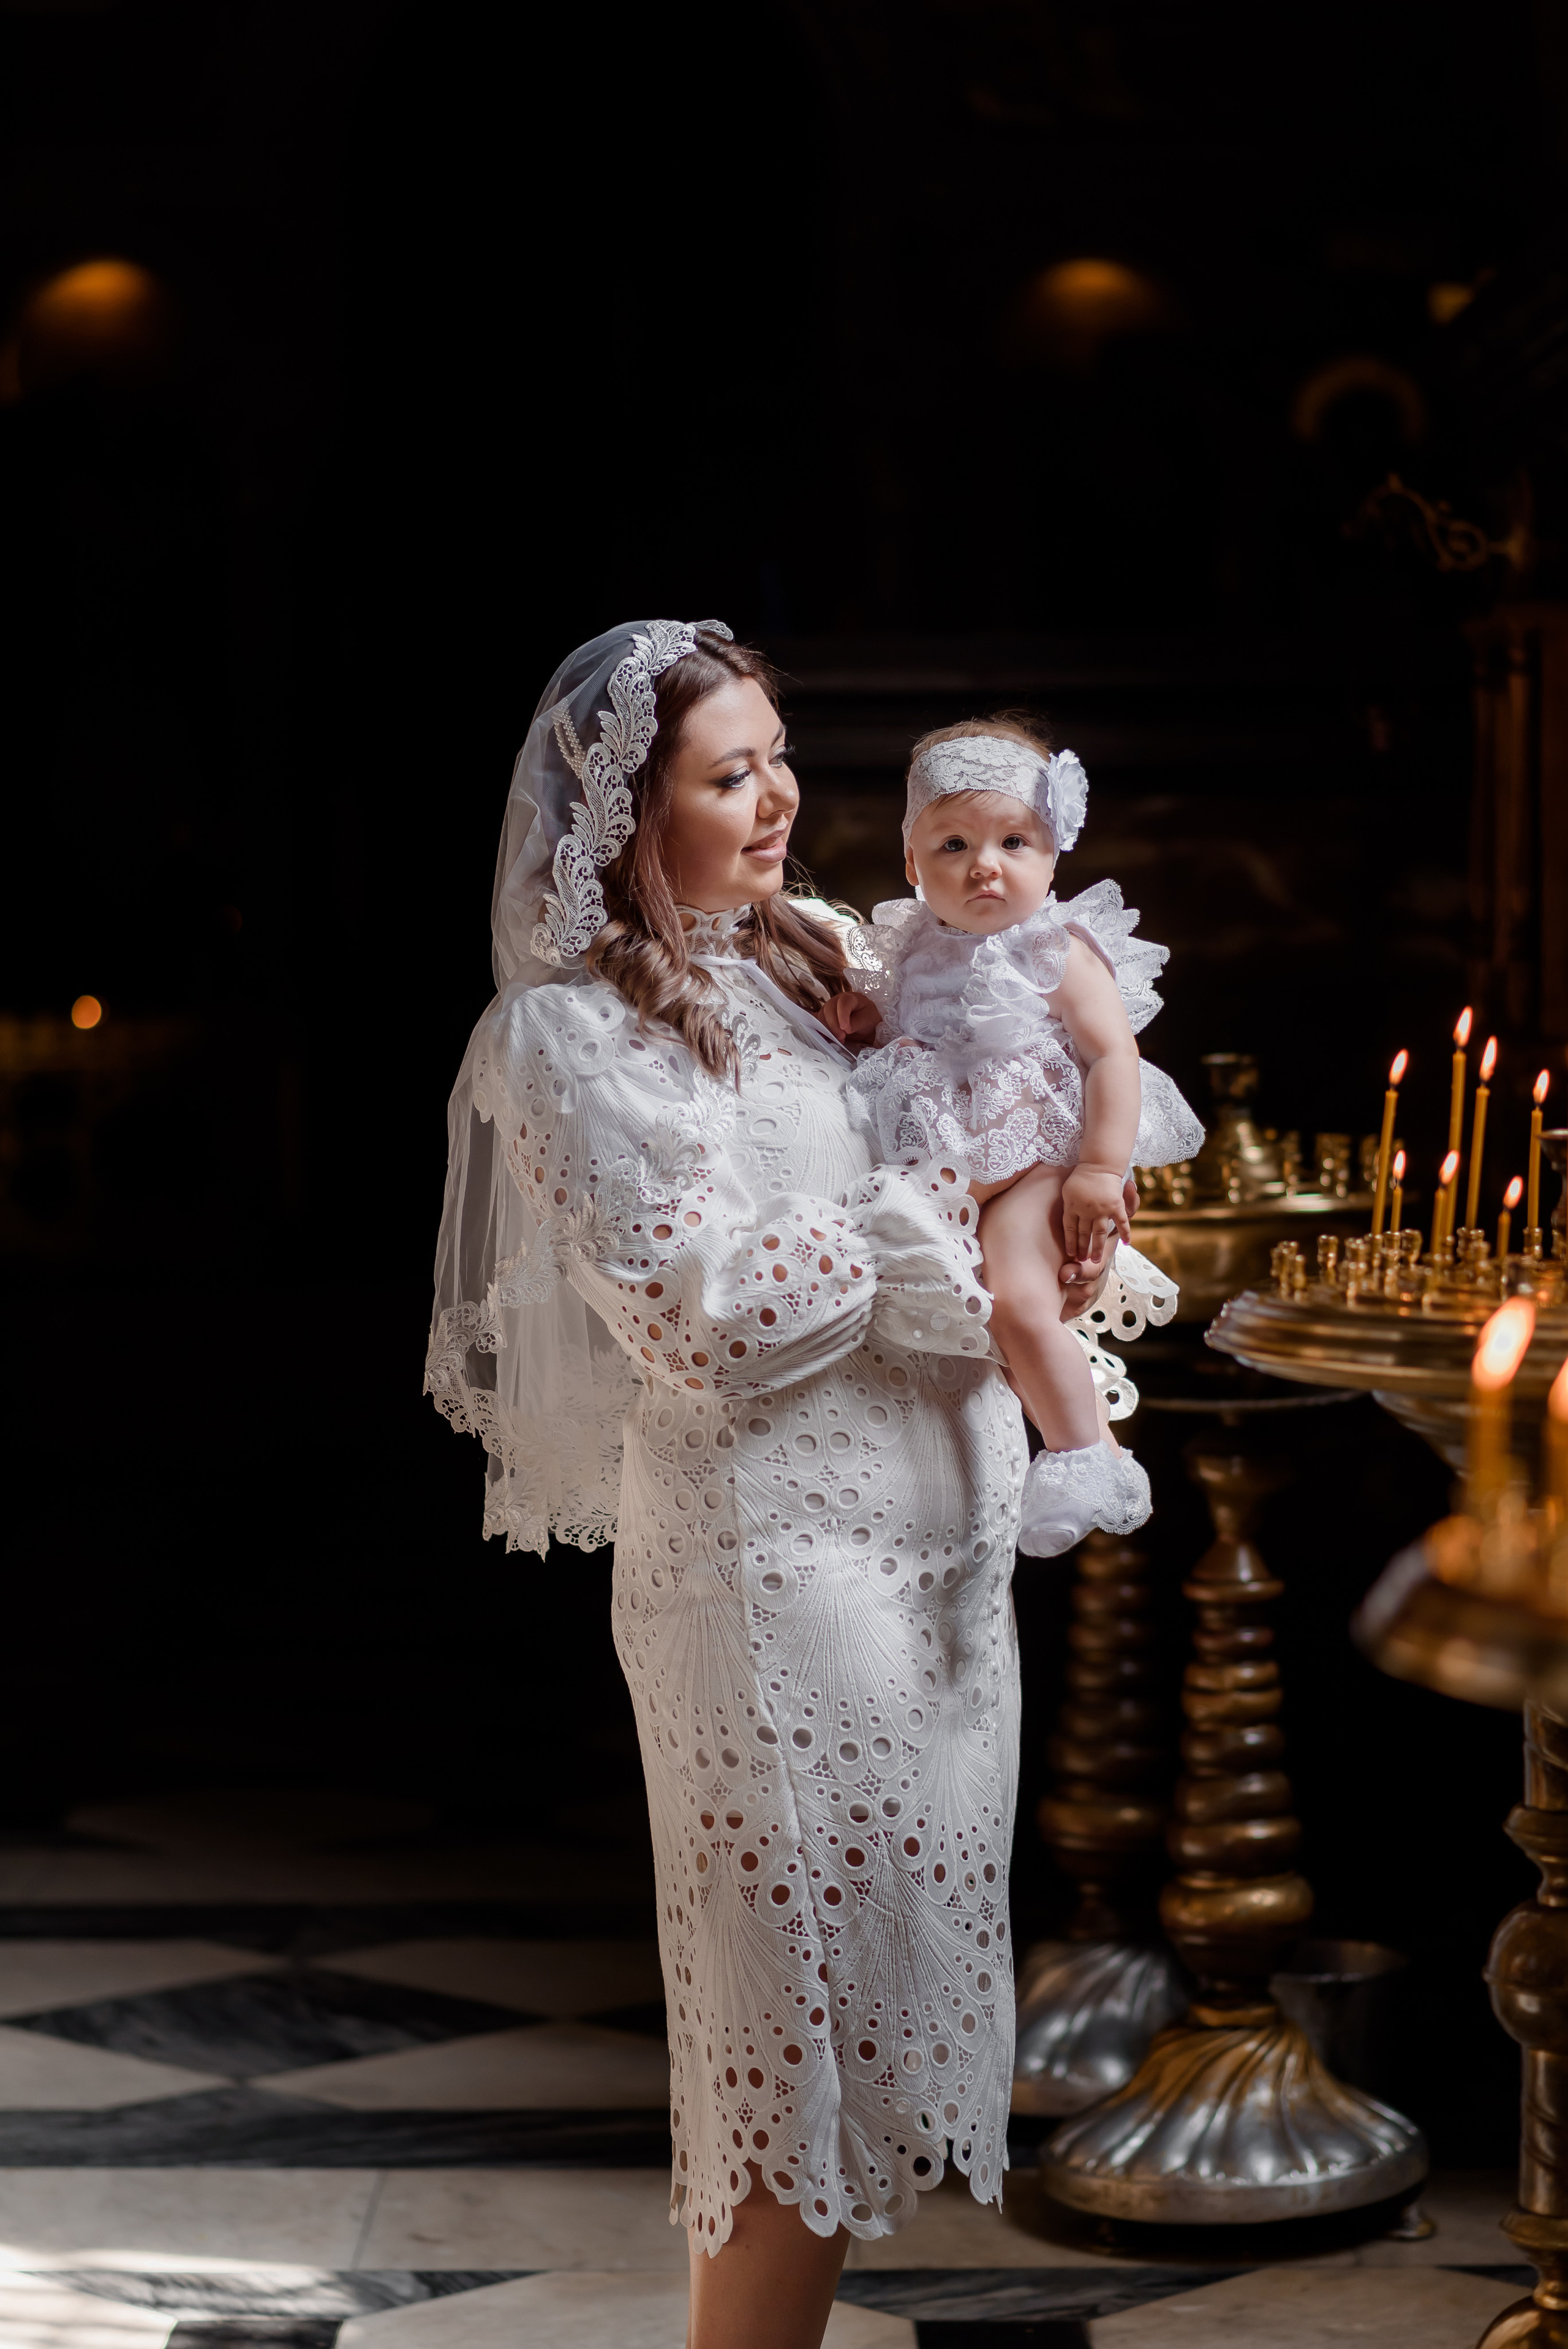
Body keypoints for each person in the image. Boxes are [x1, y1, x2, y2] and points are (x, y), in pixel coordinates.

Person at [429, 621, 1043, 2349]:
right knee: (789, 2051)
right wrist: (934, 1211)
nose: (777, 797)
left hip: (932, 1568)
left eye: (776, 756)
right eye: (727, 775)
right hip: (769, 1587)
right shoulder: (563, 1040)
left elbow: (1012, 1076)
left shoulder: (832, 951)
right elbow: (703, 1320)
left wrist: (1047, 1186)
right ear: (631, 814)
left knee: (868, 2037)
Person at [826, 717, 1202, 1558]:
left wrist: (1098, 1169)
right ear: (912, 860)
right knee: (992, 1326)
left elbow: (1112, 1055)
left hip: (1036, 1164)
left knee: (1021, 1302)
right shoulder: (909, 948)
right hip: (954, 1173)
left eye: (1013, 841)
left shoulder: (1056, 950)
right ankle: (1086, 1448)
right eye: (954, 844)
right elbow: (908, 1036)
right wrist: (864, 1019)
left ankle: (1084, 1458)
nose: (984, 864)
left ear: (1052, 855)